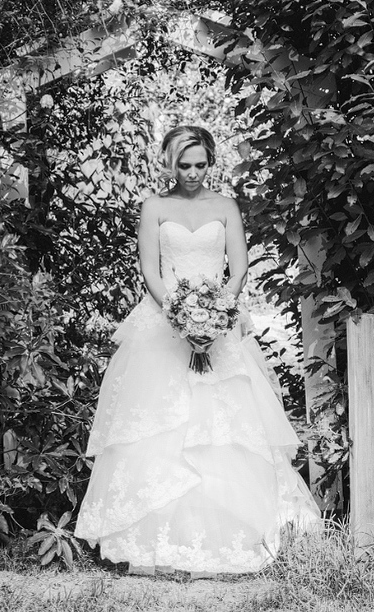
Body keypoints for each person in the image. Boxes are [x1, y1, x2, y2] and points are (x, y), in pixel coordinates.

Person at [74, 125, 323, 575]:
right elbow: (149, 269)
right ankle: (159, 545)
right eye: (183, 165)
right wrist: (179, 317)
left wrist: (218, 314)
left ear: (211, 162)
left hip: (220, 321)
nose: (192, 173)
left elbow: (239, 266)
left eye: (200, 165)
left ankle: (241, 536)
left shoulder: (225, 206)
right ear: (169, 163)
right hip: (164, 324)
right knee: (160, 428)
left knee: (227, 428)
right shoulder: (154, 207)